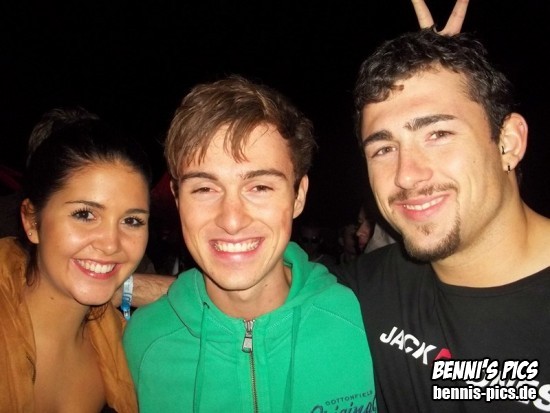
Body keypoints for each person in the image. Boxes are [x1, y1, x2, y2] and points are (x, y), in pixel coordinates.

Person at [334, 1, 550, 411]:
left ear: (508, 143)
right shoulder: (363, 290)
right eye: (383, 148)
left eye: (438, 134)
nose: (406, 175)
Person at [123, 75, 377, 412]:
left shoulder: (366, 323)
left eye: (259, 187)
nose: (232, 221)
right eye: (204, 189)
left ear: (298, 196)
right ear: (177, 198)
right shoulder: (140, 345)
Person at [0, 114, 152, 412]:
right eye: (85, 215)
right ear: (32, 222)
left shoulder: (121, 345)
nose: (111, 244)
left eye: (132, 221)